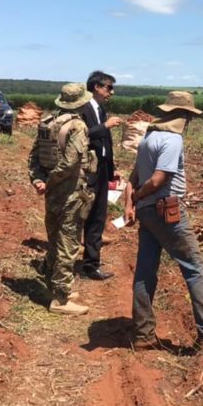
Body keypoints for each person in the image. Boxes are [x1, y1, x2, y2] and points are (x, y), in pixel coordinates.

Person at [124, 91, 203, 348]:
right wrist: (139, 196)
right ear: (185, 116)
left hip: (147, 212)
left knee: (145, 270)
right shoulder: (172, 140)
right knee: (195, 268)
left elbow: (132, 177)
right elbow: (157, 180)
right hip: (167, 210)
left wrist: (133, 201)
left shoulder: (149, 137)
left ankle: (143, 333)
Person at [27, 83, 97, 316]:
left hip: (52, 193)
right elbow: (70, 162)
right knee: (68, 243)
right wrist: (51, 181)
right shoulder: (77, 126)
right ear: (82, 102)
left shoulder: (48, 123)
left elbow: (33, 157)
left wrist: (40, 180)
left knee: (55, 238)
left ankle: (56, 284)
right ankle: (60, 299)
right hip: (69, 192)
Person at [80, 70, 122, 281]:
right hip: (88, 171)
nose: (111, 92)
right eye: (108, 87)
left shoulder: (100, 109)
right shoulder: (84, 109)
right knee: (84, 214)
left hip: (102, 169)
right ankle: (81, 262)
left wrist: (111, 169)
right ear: (96, 87)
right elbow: (82, 135)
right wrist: (105, 126)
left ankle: (91, 264)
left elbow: (105, 143)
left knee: (98, 216)